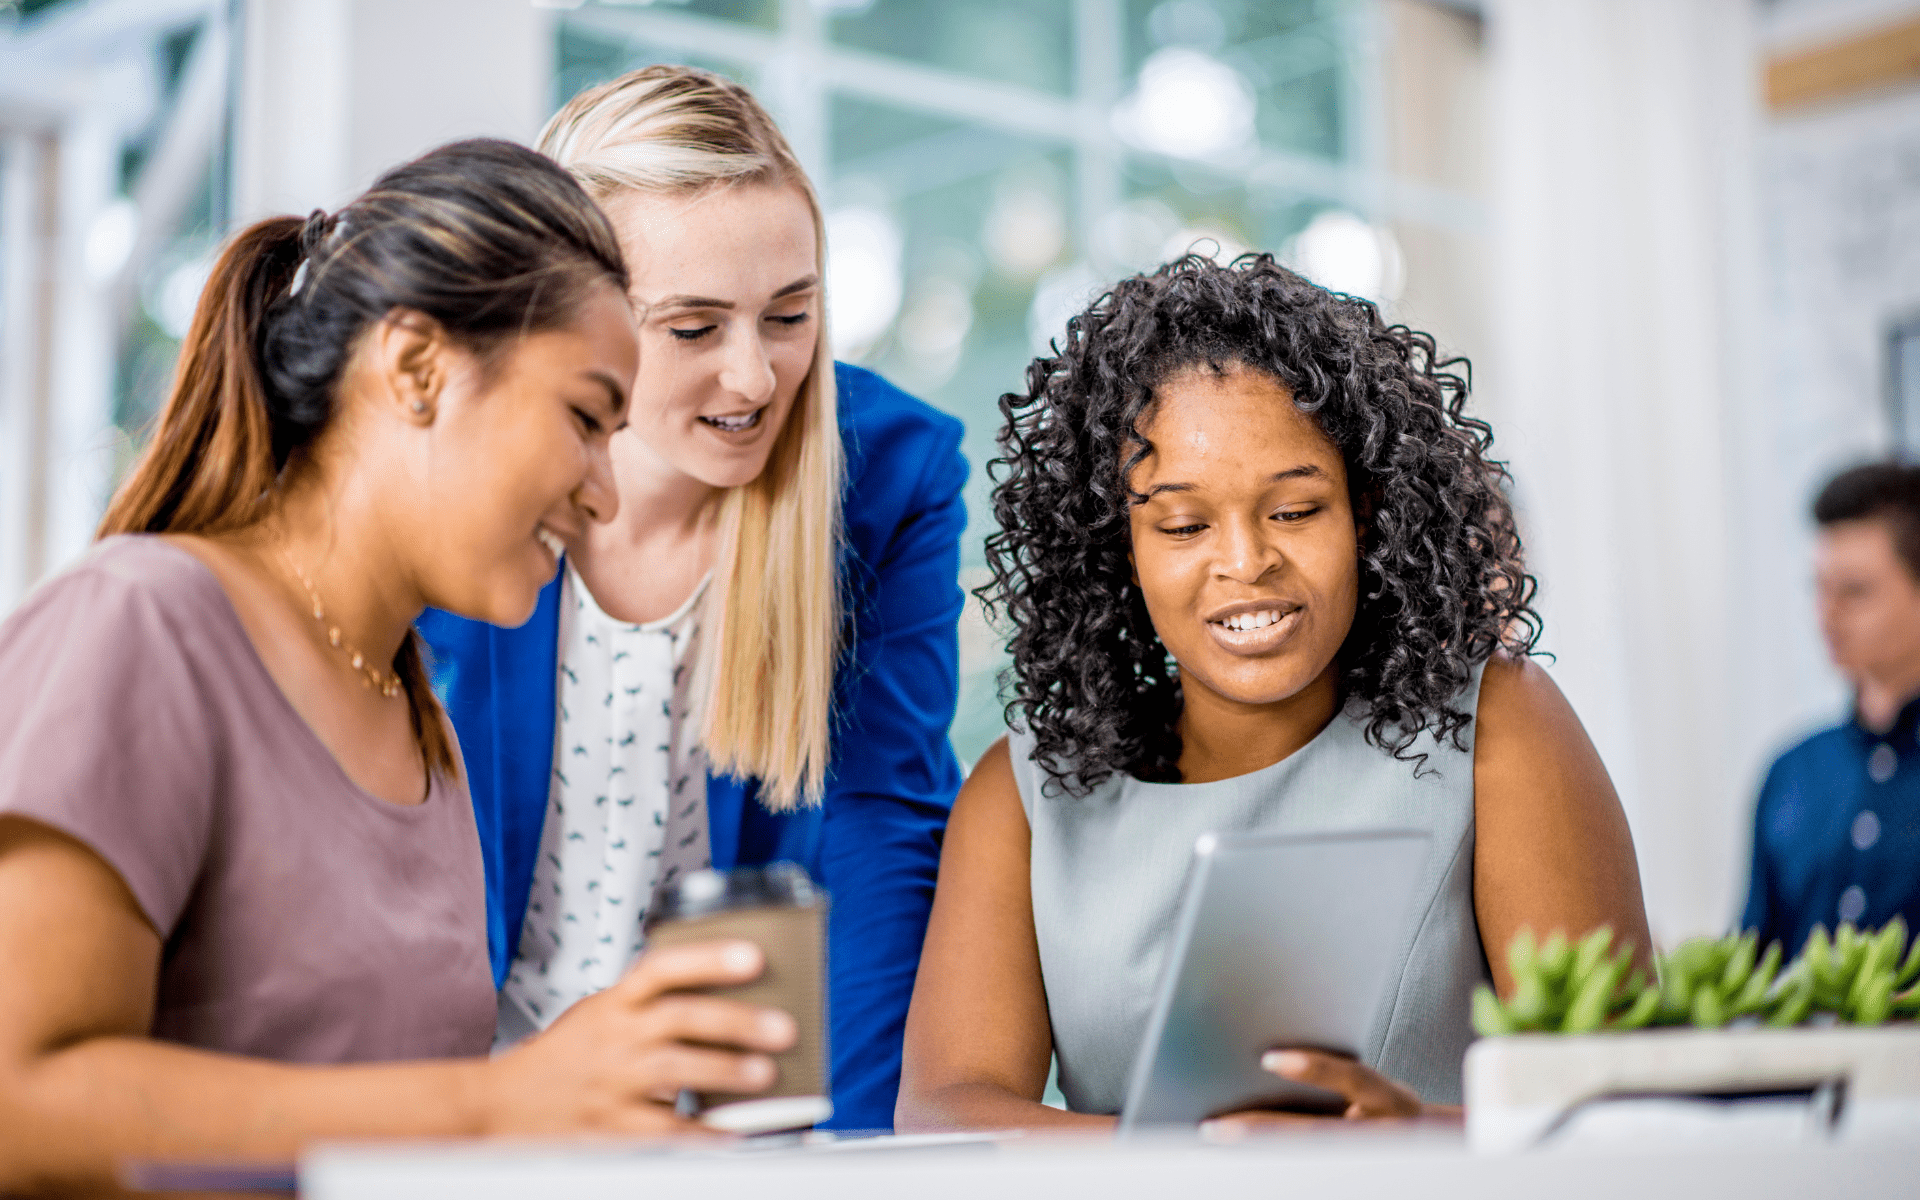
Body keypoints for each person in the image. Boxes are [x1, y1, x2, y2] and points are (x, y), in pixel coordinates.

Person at [0, 140, 798, 1194]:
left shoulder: (415, 717)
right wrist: (502, 1105)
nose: (604, 491)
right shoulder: (143, 625)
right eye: (584, 417)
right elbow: (18, 1102)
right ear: (417, 368)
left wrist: (587, 1099)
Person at [896, 254, 1652, 1132]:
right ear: (1121, 542)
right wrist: (1201, 1162)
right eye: (1182, 525)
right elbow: (947, 1113)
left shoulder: (1497, 728)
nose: (1247, 562)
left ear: (1366, 513)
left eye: (1294, 511)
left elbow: (1623, 1107)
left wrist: (1405, 1146)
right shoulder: (1024, 795)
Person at [417, 67, 967, 1131]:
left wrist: (853, 1163)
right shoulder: (455, 495)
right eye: (693, 328)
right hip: (480, 1112)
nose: (757, 378)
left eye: (791, 314)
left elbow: (878, 828)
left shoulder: (887, 478)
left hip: (737, 1130)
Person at [1742, 463, 1920, 956]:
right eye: (1819, 588)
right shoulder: (1791, 773)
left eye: (1855, 590)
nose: (1827, 614)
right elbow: (1752, 965)